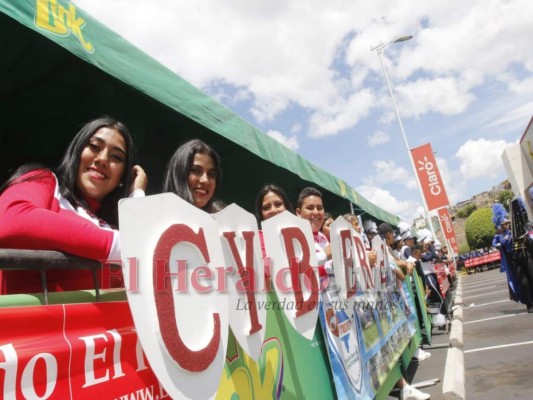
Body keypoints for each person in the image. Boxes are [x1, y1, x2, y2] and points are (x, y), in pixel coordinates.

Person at [0, 116, 147, 294]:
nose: (102, 159)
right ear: (77, 151)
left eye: (116, 156)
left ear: (122, 178)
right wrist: (113, 246)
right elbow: (11, 219)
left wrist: (136, 195)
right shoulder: (46, 181)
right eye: (94, 147)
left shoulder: (111, 228)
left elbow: (146, 256)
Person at [162, 139, 222, 213]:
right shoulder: (157, 213)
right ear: (179, 175)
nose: (205, 180)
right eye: (196, 171)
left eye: (211, 174)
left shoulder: (221, 222)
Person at [255, 184, 294, 257]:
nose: (273, 210)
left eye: (278, 204)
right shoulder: (255, 241)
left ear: (286, 207)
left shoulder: (302, 233)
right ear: (261, 214)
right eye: (266, 207)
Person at [295, 187, 331, 264]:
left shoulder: (323, 237)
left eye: (319, 208)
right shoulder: (293, 238)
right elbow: (295, 270)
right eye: (310, 208)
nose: (316, 212)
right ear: (298, 213)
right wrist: (324, 255)